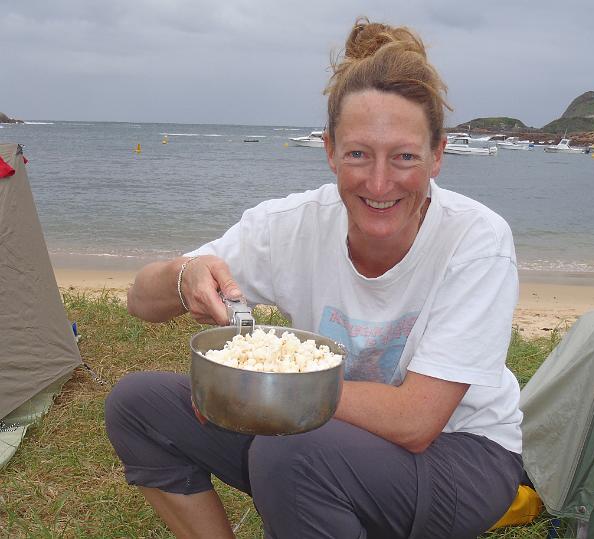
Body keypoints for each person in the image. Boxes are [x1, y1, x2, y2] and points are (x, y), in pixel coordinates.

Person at [105, 17, 524, 539]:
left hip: (460, 455)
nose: (378, 182)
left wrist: (264, 390)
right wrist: (183, 273)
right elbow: (137, 301)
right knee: (138, 406)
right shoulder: (290, 226)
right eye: (357, 154)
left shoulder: (476, 240)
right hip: (318, 431)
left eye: (404, 157)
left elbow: (418, 422)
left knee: (293, 450)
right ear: (328, 150)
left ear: (438, 155)